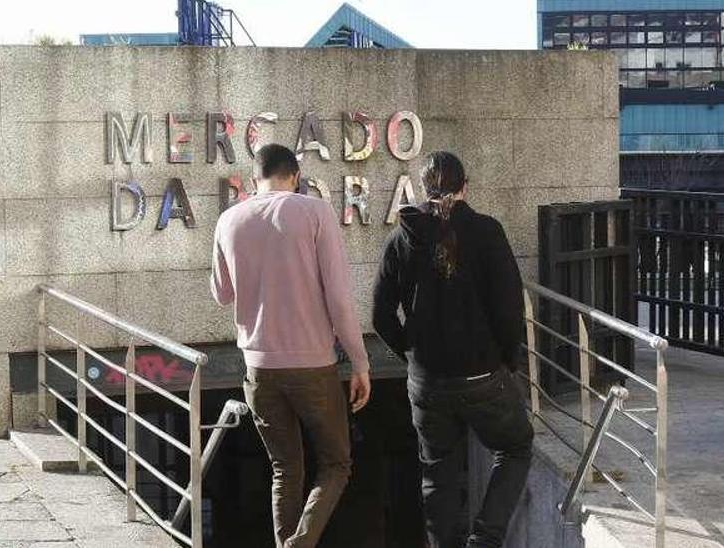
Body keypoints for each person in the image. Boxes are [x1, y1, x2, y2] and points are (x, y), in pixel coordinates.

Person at [210, 143, 372, 548]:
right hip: (313, 364)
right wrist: (360, 362)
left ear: (253, 180)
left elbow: (221, 294)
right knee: (336, 462)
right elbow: (338, 297)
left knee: (285, 467)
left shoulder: (229, 219)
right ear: (296, 177)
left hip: (259, 366)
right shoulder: (314, 212)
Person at [372, 151, 533, 548]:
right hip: (484, 376)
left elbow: (380, 315)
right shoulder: (487, 231)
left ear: (423, 188)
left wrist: (410, 352)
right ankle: (484, 538)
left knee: (436, 474)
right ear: (465, 186)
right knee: (515, 447)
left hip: (428, 381)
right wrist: (508, 360)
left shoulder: (401, 238)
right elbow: (510, 307)